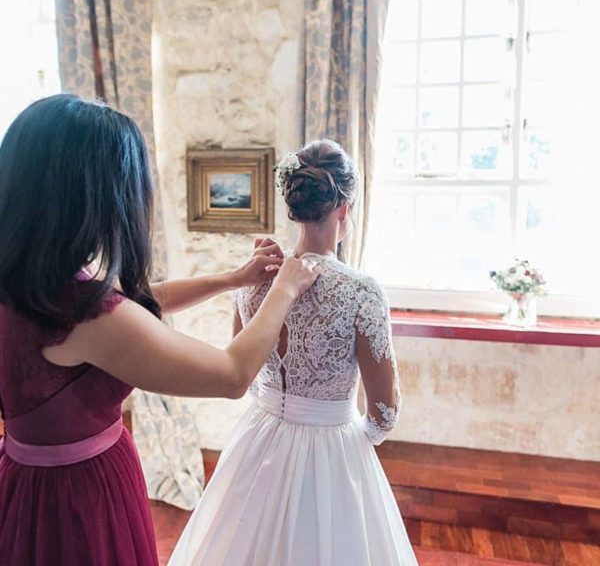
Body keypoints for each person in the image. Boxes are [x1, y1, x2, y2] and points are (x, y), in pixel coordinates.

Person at [0, 94, 319, 566]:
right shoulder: (85, 316)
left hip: (23, 481)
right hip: (79, 497)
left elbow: (136, 306)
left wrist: (232, 279)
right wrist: (285, 290)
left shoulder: (27, 280)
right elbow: (231, 374)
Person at [169, 139, 418, 565]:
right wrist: (354, 439)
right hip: (332, 450)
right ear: (344, 209)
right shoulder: (361, 292)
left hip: (258, 437)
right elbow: (384, 413)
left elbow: (244, 371)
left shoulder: (257, 275)